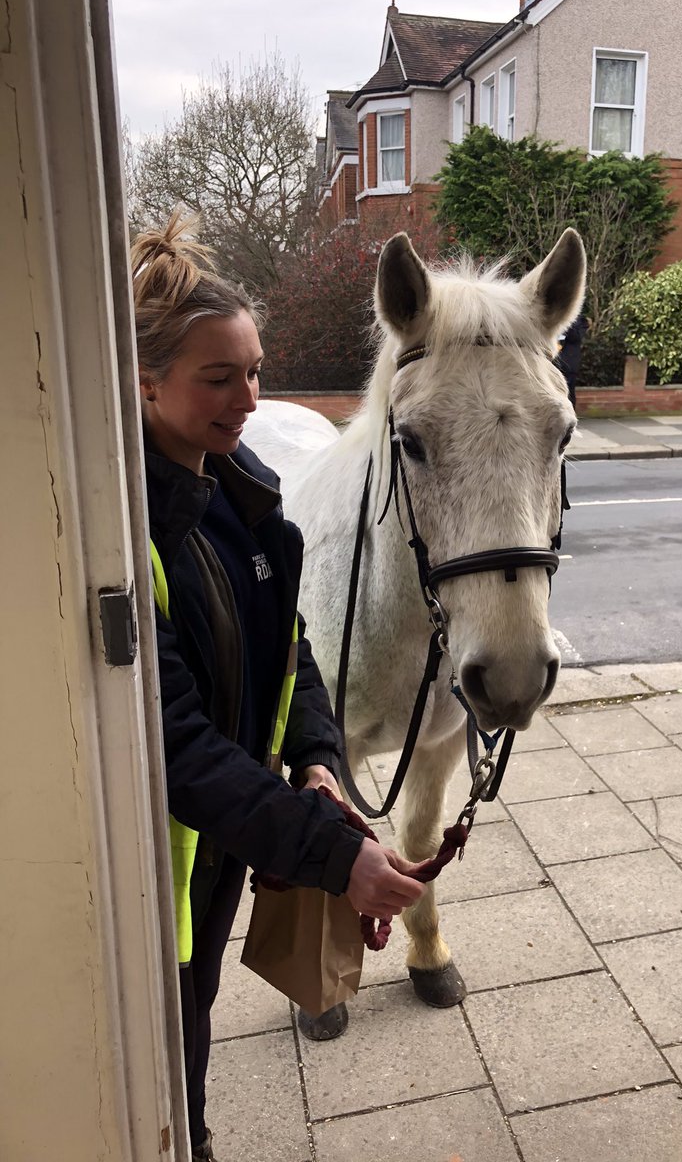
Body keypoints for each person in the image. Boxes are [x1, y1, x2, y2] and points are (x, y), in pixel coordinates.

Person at [132, 212, 424, 1162]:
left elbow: (286, 643)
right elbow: (175, 745)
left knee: (194, 1044)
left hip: (218, 861)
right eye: (219, 378)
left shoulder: (234, 481)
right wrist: (337, 860)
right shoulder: (128, 533)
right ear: (145, 382)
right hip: (150, 878)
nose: (249, 398)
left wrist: (315, 759)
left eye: (255, 370)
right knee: (163, 1056)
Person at [556, 311, 589, 407]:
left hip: (568, 364)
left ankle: (569, 418)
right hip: (553, 363)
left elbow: (576, 337)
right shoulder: (555, 318)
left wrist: (568, 322)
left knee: (568, 393)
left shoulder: (580, 321)